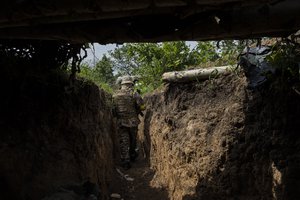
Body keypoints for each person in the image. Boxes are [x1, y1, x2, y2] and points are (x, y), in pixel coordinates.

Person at [113, 76, 145, 169]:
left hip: (121, 122)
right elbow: (142, 106)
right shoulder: (134, 93)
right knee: (133, 140)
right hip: (133, 122)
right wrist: (139, 109)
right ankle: (132, 155)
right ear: (131, 84)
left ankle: (125, 160)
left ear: (122, 84)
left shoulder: (115, 95)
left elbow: (113, 110)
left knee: (123, 140)